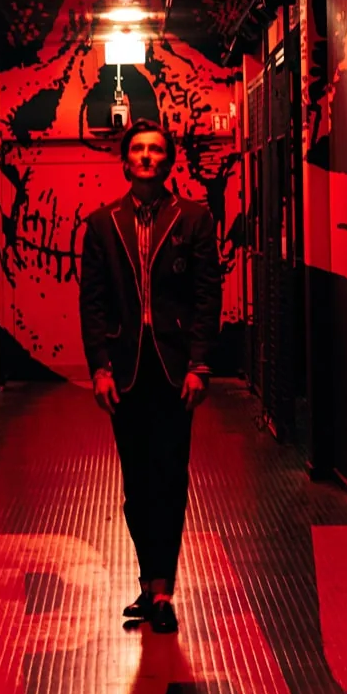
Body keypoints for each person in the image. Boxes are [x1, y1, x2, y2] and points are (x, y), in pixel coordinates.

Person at [77, 119, 222, 634]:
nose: (145, 156)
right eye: (137, 148)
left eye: (155, 149)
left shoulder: (194, 219)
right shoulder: (101, 225)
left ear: (169, 160)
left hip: (174, 369)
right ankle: (149, 580)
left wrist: (200, 365)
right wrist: (98, 368)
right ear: (125, 160)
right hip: (126, 371)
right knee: (137, 484)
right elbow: (91, 304)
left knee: (171, 477)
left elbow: (208, 298)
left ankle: (162, 590)